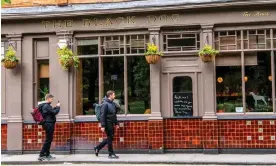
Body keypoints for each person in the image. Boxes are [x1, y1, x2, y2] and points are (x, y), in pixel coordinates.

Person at [94, 90, 120, 159]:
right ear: (110, 95)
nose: (115, 96)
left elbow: (114, 115)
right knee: (110, 138)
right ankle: (110, 153)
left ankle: (97, 148)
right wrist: (103, 125)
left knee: (110, 138)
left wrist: (116, 123)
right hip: (107, 123)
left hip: (111, 123)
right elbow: (102, 116)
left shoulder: (113, 104)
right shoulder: (105, 104)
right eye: (114, 95)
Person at [38, 94, 60, 161]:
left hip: (48, 123)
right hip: (49, 124)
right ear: (48, 99)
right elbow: (55, 112)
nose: (52, 100)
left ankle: (47, 154)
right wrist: (58, 107)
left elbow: (51, 112)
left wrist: (55, 107)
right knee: (48, 140)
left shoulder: (46, 106)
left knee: (49, 139)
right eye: (51, 99)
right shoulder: (46, 106)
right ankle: (42, 154)